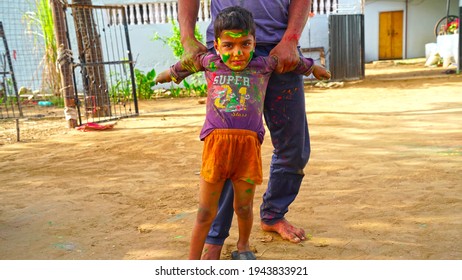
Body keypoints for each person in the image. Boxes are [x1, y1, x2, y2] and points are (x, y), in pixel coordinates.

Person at [156, 6, 330, 260]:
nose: (237, 53)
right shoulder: (210, 62)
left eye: (244, 45)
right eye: (228, 46)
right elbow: (183, 67)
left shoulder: (264, 64)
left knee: (248, 203)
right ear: (217, 45)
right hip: (216, 150)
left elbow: (301, 64)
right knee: (205, 211)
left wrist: (310, 63)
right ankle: (208, 247)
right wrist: (170, 70)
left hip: (249, 149)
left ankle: (252, 237)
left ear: (253, 42)